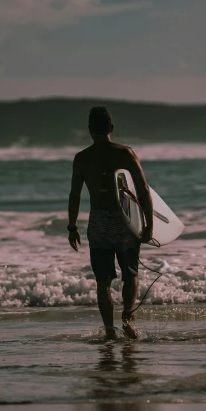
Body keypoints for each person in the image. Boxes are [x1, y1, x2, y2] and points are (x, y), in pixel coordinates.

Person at [67, 106, 153, 340]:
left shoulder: (82, 158)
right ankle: (127, 320)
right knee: (130, 274)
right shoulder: (126, 153)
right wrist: (149, 224)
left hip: (98, 221)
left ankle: (108, 330)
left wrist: (72, 226)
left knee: (103, 280)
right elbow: (143, 189)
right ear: (111, 128)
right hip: (124, 219)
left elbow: (75, 194)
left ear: (89, 130)